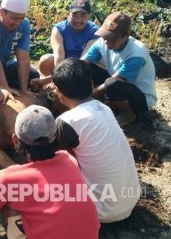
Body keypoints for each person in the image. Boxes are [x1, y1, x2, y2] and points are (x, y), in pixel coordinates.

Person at [0, 105, 100, 239]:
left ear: (15, 140)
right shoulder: (69, 160)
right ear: (56, 137)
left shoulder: (8, 180)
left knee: (9, 206)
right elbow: (24, 173)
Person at [52, 58, 141, 223]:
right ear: (91, 83)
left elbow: (58, 164)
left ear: (59, 92)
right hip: (131, 197)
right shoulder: (105, 109)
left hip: (101, 211)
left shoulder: (67, 121)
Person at [81, 11, 157, 126]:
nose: (107, 42)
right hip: (118, 83)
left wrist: (84, 100)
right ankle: (111, 102)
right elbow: (82, 63)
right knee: (87, 68)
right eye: (105, 36)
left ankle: (128, 114)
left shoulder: (136, 53)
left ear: (126, 35)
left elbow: (113, 82)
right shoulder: (102, 42)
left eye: (112, 38)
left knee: (111, 84)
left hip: (141, 97)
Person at [31, 0, 99, 89]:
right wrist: (60, 77)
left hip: (84, 65)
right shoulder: (59, 29)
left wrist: (47, 80)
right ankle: (58, 81)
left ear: (89, 16)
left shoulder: (95, 31)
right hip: (63, 62)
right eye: (75, 15)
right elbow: (59, 55)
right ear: (68, 14)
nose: (78, 20)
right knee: (46, 60)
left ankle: (52, 81)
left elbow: (84, 61)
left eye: (83, 15)